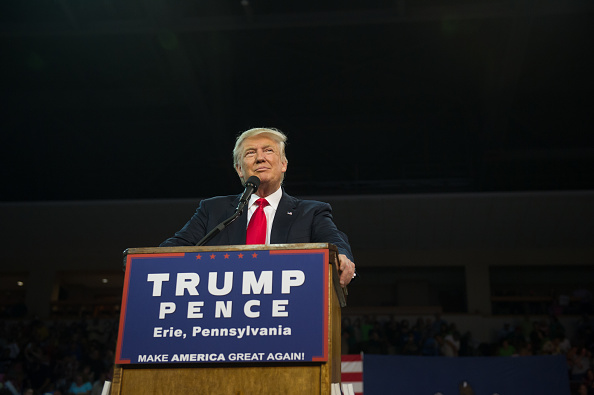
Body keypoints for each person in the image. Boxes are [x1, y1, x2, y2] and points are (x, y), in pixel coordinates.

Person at [160, 127, 356, 286]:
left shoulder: (311, 212)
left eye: (268, 151)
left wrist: (342, 256)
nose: (260, 158)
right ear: (239, 169)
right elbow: (176, 246)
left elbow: (335, 242)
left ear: (283, 164)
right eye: (250, 153)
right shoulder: (213, 209)